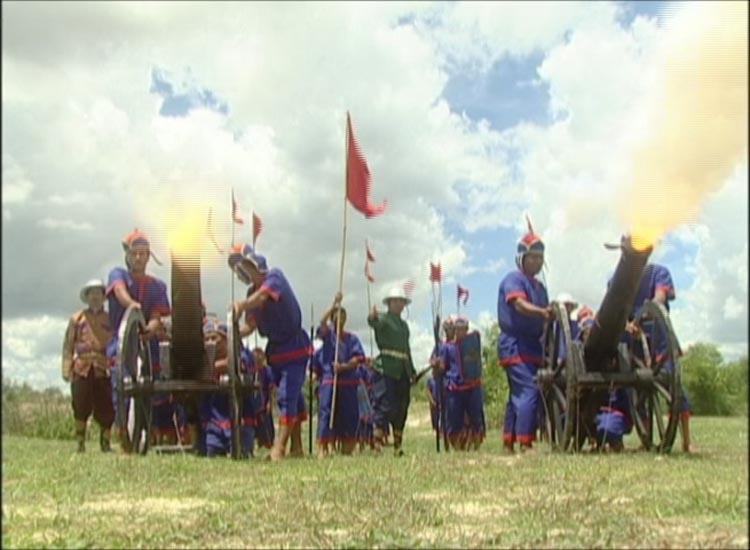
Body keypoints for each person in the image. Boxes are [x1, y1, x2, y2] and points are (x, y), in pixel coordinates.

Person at [228, 244, 310, 461]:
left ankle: (279, 448)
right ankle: (297, 447)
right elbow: (250, 326)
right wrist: (231, 332)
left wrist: (242, 305)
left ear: (255, 265)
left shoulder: (274, 277)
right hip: (275, 350)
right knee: (293, 397)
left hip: (294, 346)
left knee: (287, 395)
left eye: (245, 267)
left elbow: (263, 296)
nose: (243, 272)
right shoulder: (250, 294)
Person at [106, 229, 170, 452]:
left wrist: (151, 328)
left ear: (148, 256)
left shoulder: (158, 286)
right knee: (121, 386)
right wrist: (132, 304)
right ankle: (124, 436)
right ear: (128, 255)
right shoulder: (118, 274)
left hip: (147, 345)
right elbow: (119, 292)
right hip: (122, 344)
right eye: (135, 253)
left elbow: (157, 315)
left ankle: (145, 434)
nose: (139, 257)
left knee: (148, 389)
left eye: (143, 253)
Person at [628, 262, 694, 453]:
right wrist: (628, 325)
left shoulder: (659, 272)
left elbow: (660, 298)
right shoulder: (619, 280)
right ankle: (645, 439)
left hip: (661, 340)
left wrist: (643, 314)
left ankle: (687, 442)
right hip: (635, 344)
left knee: (676, 390)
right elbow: (618, 311)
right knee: (639, 395)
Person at [497, 227, 551, 453]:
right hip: (515, 344)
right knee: (529, 389)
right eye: (532, 257)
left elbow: (547, 318)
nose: (537, 261)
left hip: (533, 346)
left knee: (517, 394)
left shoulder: (540, 288)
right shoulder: (513, 279)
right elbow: (518, 304)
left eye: (540, 257)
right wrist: (542, 312)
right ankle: (525, 442)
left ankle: (509, 440)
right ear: (522, 258)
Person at [62, 279, 115, 453]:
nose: (95, 297)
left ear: (103, 296)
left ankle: (105, 444)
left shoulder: (110, 319)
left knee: (106, 407)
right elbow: (68, 344)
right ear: (87, 297)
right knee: (80, 405)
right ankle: (80, 443)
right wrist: (66, 368)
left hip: (103, 368)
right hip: (82, 368)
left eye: (98, 293)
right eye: (91, 293)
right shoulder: (77, 318)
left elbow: (116, 344)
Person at [315, 293, 366, 457]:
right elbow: (321, 323)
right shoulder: (328, 336)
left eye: (343, 315)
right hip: (330, 379)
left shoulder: (352, 339)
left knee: (349, 414)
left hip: (348, 382)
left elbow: (358, 358)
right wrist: (334, 304)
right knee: (327, 412)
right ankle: (323, 445)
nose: (340, 318)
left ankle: (347, 445)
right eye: (337, 316)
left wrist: (344, 367)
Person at [368, 287, 416, 457]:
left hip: (402, 369)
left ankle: (398, 445)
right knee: (385, 404)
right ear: (389, 303)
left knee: (402, 406)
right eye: (395, 301)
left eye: (401, 301)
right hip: (386, 367)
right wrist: (372, 317)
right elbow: (374, 322)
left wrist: (412, 370)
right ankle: (376, 443)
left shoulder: (404, 326)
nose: (399, 304)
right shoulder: (383, 319)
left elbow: (407, 349)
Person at [439, 316, 485, 451]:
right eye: (458, 329)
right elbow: (443, 367)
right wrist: (437, 365)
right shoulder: (447, 347)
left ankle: (475, 444)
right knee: (454, 420)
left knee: (476, 419)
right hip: (455, 388)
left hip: (472, 387)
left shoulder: (472, 343)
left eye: (463, 329)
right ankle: (458, 446)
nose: (460, 332)